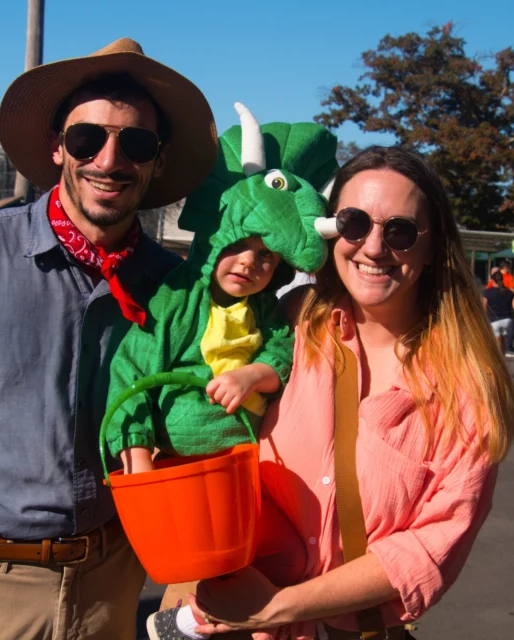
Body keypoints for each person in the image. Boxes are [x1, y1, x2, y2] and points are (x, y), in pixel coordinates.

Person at [0, 37, 218, 640]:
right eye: (88, 138)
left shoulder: (177, 290)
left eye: (136, 143)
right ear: (58, 147)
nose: (109, 160)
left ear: (158, 162)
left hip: (113, 587)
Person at [178, 146, 514, 640]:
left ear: (431, 246)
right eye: (354, 223)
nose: (374, 247)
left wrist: (277, 608)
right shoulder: (289, 322)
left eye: (399, 230)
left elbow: (430, 546)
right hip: (221, 609)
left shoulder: (467, 383)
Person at [102, 106, 338, 640]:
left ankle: (201, 620)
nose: (251, 265)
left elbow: (282, 351)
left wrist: (253, 374)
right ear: (219, 234)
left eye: (268, 260)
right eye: (242, 246)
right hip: (179, 470)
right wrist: (137, 463)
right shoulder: (178, 300)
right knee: (201, 568)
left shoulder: (266, 314)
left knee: (256, 570)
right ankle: (186, 621)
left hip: (242, 468)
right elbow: (132, 371)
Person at [483, 271, 514, 356]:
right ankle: (503, 356)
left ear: (493, 281)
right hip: (507, 321)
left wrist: (482, 319)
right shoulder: (509, 292)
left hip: (494, 321)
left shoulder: (487, 292)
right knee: (503, 341)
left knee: (496, 344)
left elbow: (484, 307)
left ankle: (499, 359)